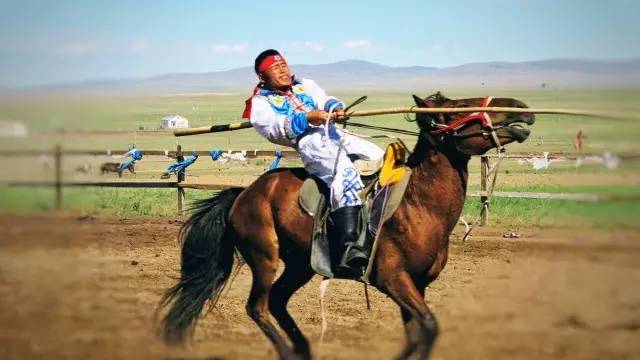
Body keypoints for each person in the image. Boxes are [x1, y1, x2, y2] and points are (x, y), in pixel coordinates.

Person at [242, 49, 384, 276]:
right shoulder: (259, 104)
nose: (283, 70)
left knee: (380, 157)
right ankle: (349, 247)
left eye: (284, 65)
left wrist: (334, 108)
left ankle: (378, 223)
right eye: (276, 68)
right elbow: (275, 129)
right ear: (262, 76)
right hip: (310, 143)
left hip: (334, 132)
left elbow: (324, 99)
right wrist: (308, 117)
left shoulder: (304, 84)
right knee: (345, 174)